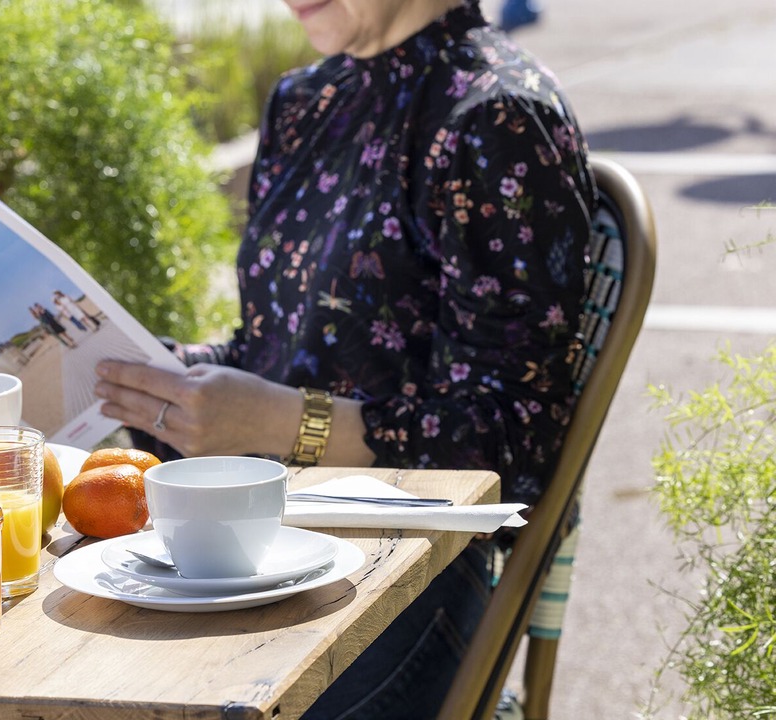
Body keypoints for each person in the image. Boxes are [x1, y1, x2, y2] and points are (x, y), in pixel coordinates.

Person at [92, 0, 593, 717]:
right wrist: (149, 375)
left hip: (414, 571)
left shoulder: (498, 117)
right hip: (268, 542)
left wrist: (293, 425)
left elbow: (517, 440)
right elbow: (277, 348)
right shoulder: (304, 100)